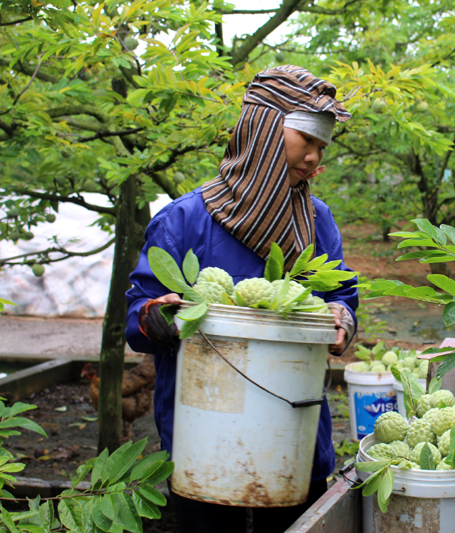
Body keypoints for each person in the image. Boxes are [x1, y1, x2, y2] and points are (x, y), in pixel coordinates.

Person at [125, 65, 358, 532]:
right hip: (206, 428)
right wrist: (158, 316)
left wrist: (341, 320)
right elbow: (138, 317)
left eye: (322, 146)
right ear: (264, 132)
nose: (314, 157)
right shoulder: (184, 220)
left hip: (292, 426)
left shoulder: (316, 220)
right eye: (306, 139)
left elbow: (340, 293)